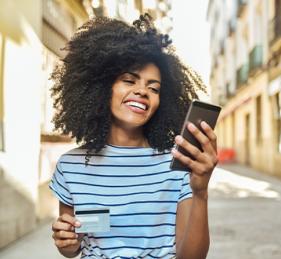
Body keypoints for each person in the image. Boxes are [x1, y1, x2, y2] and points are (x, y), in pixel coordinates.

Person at [49, 14, 218, 259]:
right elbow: (73, 246)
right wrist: (66, 242)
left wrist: (200, 192)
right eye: (129, 80)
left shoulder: (177, 164)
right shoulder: (71, 166)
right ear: (101, 87)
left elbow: (191, 257)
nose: (142, 91)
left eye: (154, 88)